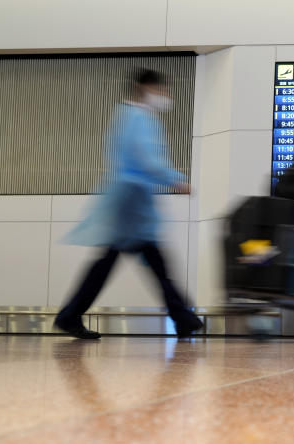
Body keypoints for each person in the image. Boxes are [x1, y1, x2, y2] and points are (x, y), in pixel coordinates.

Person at [55, 69, 203, 340]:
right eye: (161, 90)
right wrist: (175, 180)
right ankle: (182, 317)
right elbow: (146, 157)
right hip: (131, 202)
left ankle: (182, 317)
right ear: (145, 87)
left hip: (130, 201)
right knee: (149, 262)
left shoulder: (127, 115)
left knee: (121, 261)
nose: (165, 96)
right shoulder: (138, 117)